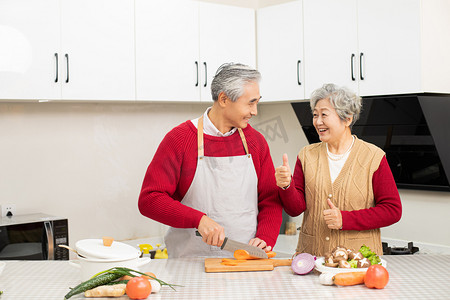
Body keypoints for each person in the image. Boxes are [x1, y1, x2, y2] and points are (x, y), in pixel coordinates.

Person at [138, 63, 282, 258]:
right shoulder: (180, 139)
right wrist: (198, 219)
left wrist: (265, 238)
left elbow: (270, 200)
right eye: (250, 102)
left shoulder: (256, 142)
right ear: (223, 99)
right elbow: (150, 199)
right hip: (189, 263)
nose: (255, 111)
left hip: (245, 261)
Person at [275, 83, 402, 256]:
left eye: (324, 115)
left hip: (357, 263)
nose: (318, 121)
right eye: (315, 115)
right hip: (312, 258)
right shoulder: (306, 155)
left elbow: (392, 210)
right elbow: (295, 209)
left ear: (347, 118)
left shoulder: (373, 157)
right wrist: (286, 186)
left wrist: (345, 219)